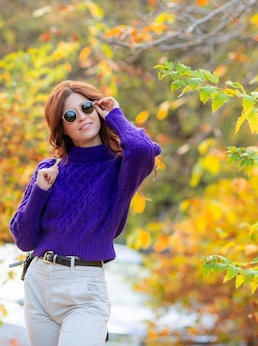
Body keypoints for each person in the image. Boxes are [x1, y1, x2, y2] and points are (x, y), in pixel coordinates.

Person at [9, 80, 161, 346]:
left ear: (97, 109)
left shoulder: (120, 168)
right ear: (63, 128)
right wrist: (40, 192)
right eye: (70, 115)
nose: (81, 117)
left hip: (84, 288)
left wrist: (116, 115)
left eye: (86, 107)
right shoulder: (49, 169)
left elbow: (143, 150)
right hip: (39, 283)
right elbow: (24, 239)